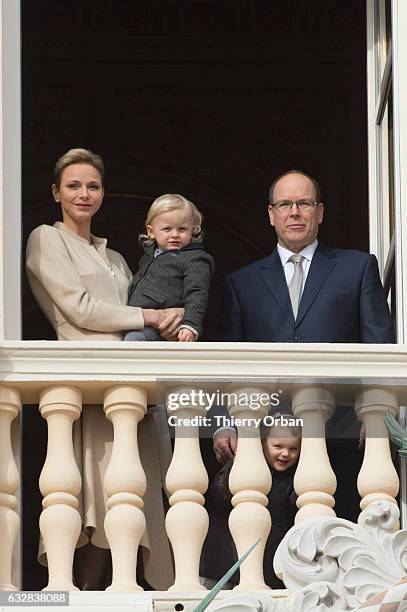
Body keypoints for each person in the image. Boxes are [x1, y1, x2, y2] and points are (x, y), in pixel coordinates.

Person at [26, 148, 183, 590]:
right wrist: (149, 317)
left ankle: (122, 592)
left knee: (133, 499)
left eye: (92, 186)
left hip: (132, 385)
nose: (84, 194)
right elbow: (79, 309)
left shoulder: (115, 258)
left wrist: (173, 320)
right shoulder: (46, 238)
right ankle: (86, 594)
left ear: (102, 194)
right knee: (95, 501)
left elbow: (141, 307)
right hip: (91, 386)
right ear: (57, 192)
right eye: (73, 185)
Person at [215, 169, 394, 520]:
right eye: (284, 204)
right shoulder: (242, 282)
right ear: (271, 214)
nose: (294, 212)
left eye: (304, 203)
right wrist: (224, 421)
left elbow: (379, 345)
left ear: (320, 212)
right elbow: (228, 360)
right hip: (267, 440)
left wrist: (379, 412)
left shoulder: (356, 267)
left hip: (341, 432)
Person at [201, 415, 301, 589]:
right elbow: (219, 494)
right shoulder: (244, 467)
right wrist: (235, 464)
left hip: (265, 561)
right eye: (278, 446)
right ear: (262, 443)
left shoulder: (294, 480)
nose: (285, 453)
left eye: (293, 449)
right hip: (224, 556)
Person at [125, 194, 214, 342]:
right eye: (167, 229)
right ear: (151, 231)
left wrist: (190, 325)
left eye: (182, 229)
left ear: (193, 229)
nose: (175, 235)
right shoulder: (148, 256)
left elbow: (197, 293)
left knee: (134, 340)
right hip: (136, 319)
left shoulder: (195, 259)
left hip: (165, 328)